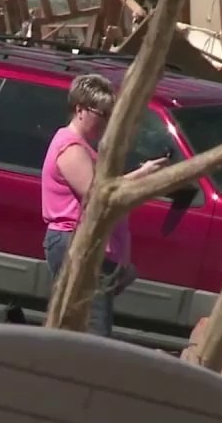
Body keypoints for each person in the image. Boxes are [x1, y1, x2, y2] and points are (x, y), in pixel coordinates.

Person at [41, 74, 166, 337]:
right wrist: (141, 177)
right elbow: (98, 196)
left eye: (111, 113)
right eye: (103, 113)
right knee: (93, 329)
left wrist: (142, 173)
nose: (107, 120)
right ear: (80, 110)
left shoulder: (85, 147)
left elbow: (104, 191)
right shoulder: (70, 147)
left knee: (84, 327)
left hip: (93, 248)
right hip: (74, 244)